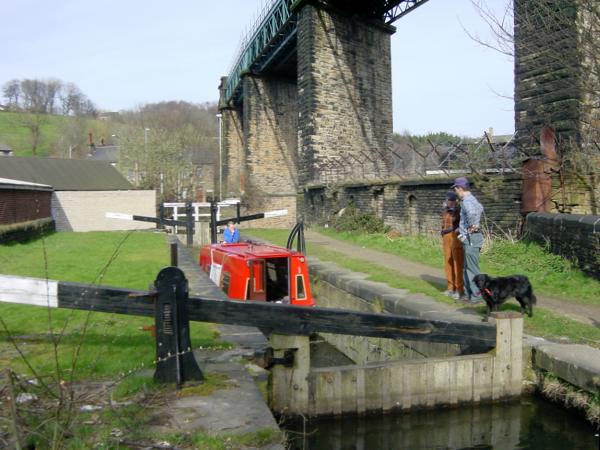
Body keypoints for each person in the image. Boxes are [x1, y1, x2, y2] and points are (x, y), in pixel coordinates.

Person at [452, 177, 484, 304]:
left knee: (472, 269)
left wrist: (472, 226)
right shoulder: (472, 199)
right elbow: (481, 208)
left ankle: (477, 296)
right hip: (469, 237)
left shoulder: (466, 202)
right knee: (466, 267)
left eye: (455, 188)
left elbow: (471, 213)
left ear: (460, 188)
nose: (455, 191)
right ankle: (468, 294)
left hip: (471, 238)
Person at [440, 191, 465, 300]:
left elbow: (461, 224)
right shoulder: (445, 211)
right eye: (448, 200)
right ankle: (450, 288)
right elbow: (443, 223)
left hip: (456, 236)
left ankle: (459, 289)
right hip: (446, 237)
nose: (449, 202)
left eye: (451, 200)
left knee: (457, 263)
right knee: (448, 262)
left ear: (455, 201)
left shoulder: (459, 210)